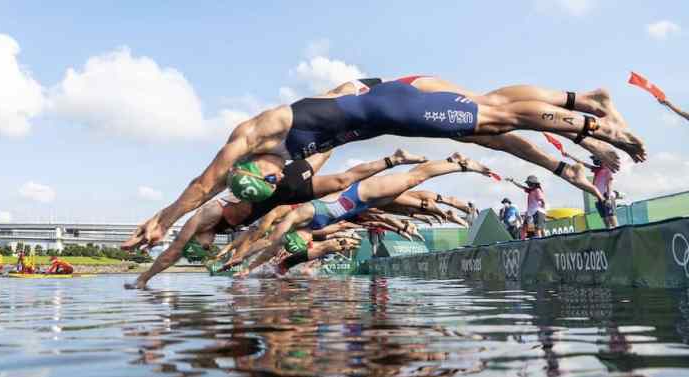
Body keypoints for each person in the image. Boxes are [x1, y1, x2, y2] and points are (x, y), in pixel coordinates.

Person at [123, 76, 644, 251]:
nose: (277, 181)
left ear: (253, 167)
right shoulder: (289, 168)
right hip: (393, 106)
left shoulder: (258, 133)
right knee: (494, 126)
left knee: (495, 119)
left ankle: (595, 124)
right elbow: (213, 195)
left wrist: (165, 218)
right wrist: (167, 225)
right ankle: (578, 139)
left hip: (394, 101)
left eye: (267, 179)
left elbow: (204, 182)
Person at [124, 149, 426, 289]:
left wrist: (143, 278)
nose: (206, 246)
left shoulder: (208, 215)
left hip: (281, 186)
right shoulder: (222, 229)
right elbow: (252, 239)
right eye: (206, 248)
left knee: (335, 169)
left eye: (202, 245)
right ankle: (389, 160)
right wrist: (239, 264)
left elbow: (174, 250)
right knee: (339, 182)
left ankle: (389, 157)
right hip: (284, 198)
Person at [240, 153, 493, 274]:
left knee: (415, 178)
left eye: (305, 245)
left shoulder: (300, 215)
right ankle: (451, 160)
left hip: (361, 193)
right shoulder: (319, 232)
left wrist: (243, 258)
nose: (310, 247)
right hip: (365, 204)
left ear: (302, 239)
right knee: (412, 193)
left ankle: (459, 163)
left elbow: (271, 241)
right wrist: (248, 268)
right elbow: (274, 250)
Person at [562, 152, 618, 228]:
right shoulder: (597, 169)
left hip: (606, 196)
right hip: (599, 197)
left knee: (612, 219)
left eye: (596, 158)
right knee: (606, 221)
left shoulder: (608, 170)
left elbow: (609, 184)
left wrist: (608, 198)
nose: (595, 160)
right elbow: (583, 163)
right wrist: (570, 156)